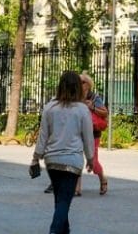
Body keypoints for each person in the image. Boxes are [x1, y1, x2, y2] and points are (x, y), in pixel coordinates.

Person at [32, 70, 94, 234]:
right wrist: (91, 159)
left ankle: (64, 231)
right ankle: (54, 231)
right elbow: (88, 137)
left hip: (52, 161)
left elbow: (43, 136)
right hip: (72, 162)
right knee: (64, 202)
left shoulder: (50, 107)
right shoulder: (82, 110)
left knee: (60, 200)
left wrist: (35, 158)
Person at [78, 72, 109, 196]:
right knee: (77, 159)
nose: (80, 84)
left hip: (93, 133)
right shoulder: (75, 97)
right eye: (79, 82)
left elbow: (105, 113)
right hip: (78, 133)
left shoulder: (94, 97)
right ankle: (77, 188)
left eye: (83, 82)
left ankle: (102, 178)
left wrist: (92, 107)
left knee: (94, 162)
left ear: (88, 84)